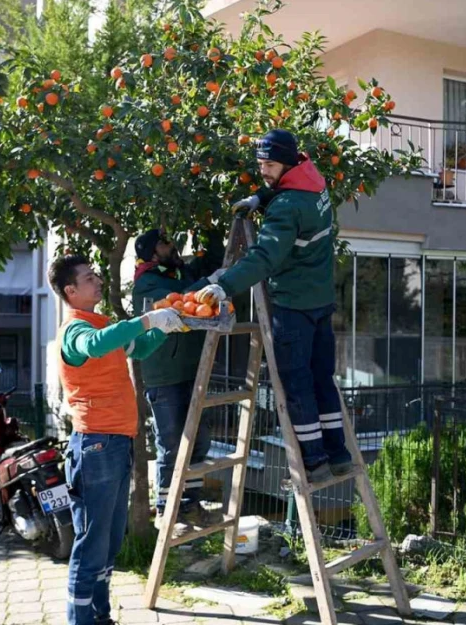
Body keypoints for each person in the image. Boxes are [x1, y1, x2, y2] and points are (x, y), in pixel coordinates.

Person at [198, 129, 351, 483]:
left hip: (293, 306)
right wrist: (260, 197)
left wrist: (225, 285)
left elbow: (265, 256)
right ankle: (338, 453)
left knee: (296, 385)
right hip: (321, 300)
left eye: (268, 164)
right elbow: (288, 192)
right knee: (322, 379)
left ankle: (313, 460)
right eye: (260, 164)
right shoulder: (315, 182)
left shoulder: (286, 208)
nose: (263, 170)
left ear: (285, 161)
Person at [49, 254, 185, 625]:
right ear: (70, 291)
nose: (97, 281)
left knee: (109, 542)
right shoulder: (75, 331)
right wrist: (146, 319)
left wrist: (168, 327)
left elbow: (136, 348)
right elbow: (95, 345)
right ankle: (80, 619)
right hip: (95, 446)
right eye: (89, 277)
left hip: (116, 443)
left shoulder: (100, 324)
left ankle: (100, 614)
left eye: (96, 274)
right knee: (92, 542)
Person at [131, 228, 225, 528]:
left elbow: (211, 259)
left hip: (193, 369)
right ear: (151, 253)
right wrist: (209, 283)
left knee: (199, 440)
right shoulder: (147, 283)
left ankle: (189, 505)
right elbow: (178, 303)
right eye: (164, 243)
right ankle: (165, 509)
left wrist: (208, 224)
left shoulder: (179, 273)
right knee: (172, 443)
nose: (172, 246)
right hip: (165, 375)